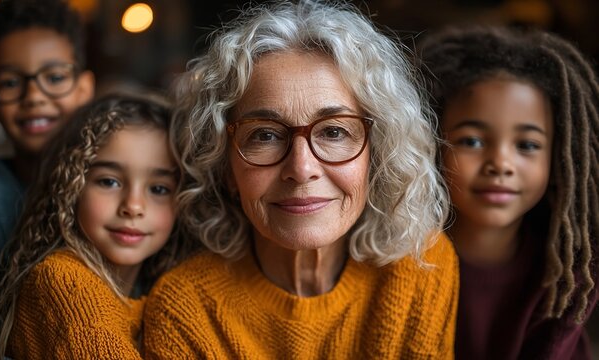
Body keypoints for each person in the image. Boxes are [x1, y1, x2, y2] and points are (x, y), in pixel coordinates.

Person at [143, 1, 458, 358]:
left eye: (334, 132)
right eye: (264, 135)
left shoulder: (421, 266)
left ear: (378, 155)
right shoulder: (185, 308)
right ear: (224, 166)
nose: (301, 167)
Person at [418, 26, 598, 359]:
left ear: (558, 158)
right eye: (472, 141)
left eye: (527, 145)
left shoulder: (568, 279)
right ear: (431, 145)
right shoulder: (398, 262)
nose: (500, 164)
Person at [0, 93, 185, 359]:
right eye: (109, 182)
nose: (134, 205)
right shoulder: (65, 282)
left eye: (159, 188)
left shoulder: (158, 291)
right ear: (71, 188)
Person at [0, 0, 94, 357]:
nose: (34, 96)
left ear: (85, 88)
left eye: (56, 77)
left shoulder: (124, 187)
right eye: (11, 82)